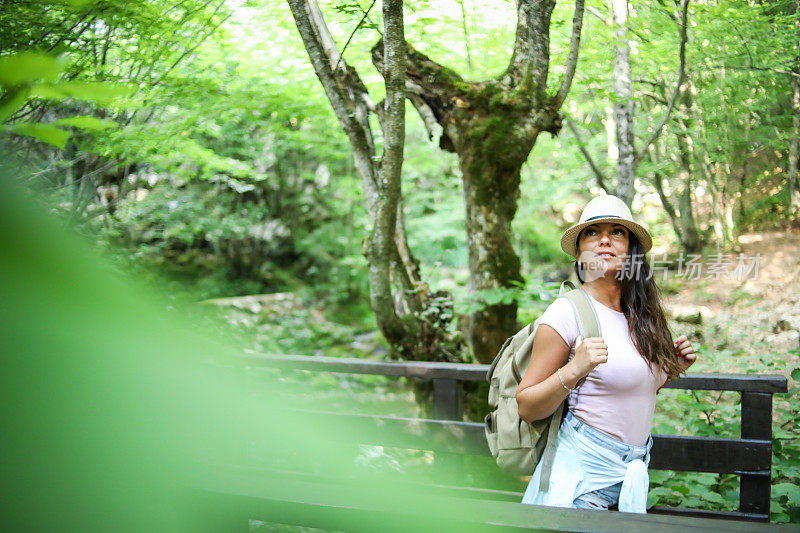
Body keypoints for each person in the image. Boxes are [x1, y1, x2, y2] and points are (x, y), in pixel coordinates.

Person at [516, 193, 697, 513]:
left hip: (630, 479)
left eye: (617, 232)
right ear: (580, 253)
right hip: (582, 481)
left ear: (632, 251)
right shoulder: (566, 313)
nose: (604, 240)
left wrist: (670, 370)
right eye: (592, 232)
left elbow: (625, 393)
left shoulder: (643, 315)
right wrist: (573, 370)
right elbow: (527, 406)